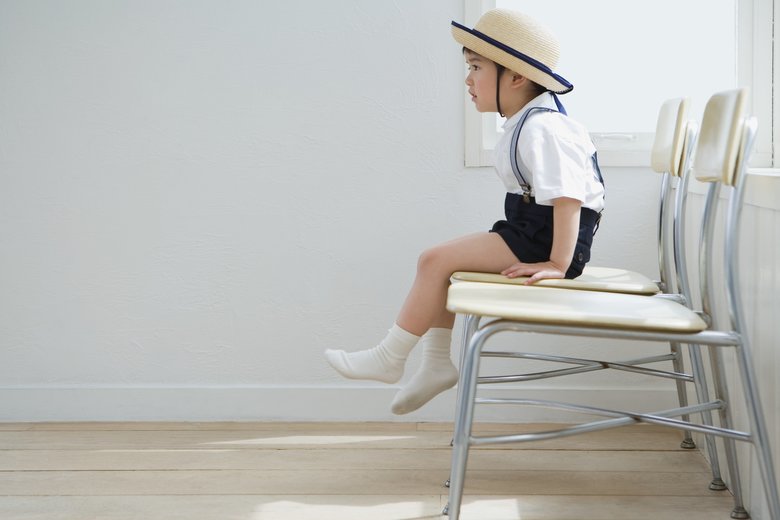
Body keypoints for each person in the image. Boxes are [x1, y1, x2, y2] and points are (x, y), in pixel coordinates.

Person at [325, 8, 605, 415]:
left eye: (476, 67)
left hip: (550, 240)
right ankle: (436, 363)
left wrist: (558, 264)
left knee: (435, 259)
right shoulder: (527, 121)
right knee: (440, 263)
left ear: (516, 76)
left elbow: (569, 198)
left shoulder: (546, 128)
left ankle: (391, 357)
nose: (467, 80)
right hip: (531, 230)